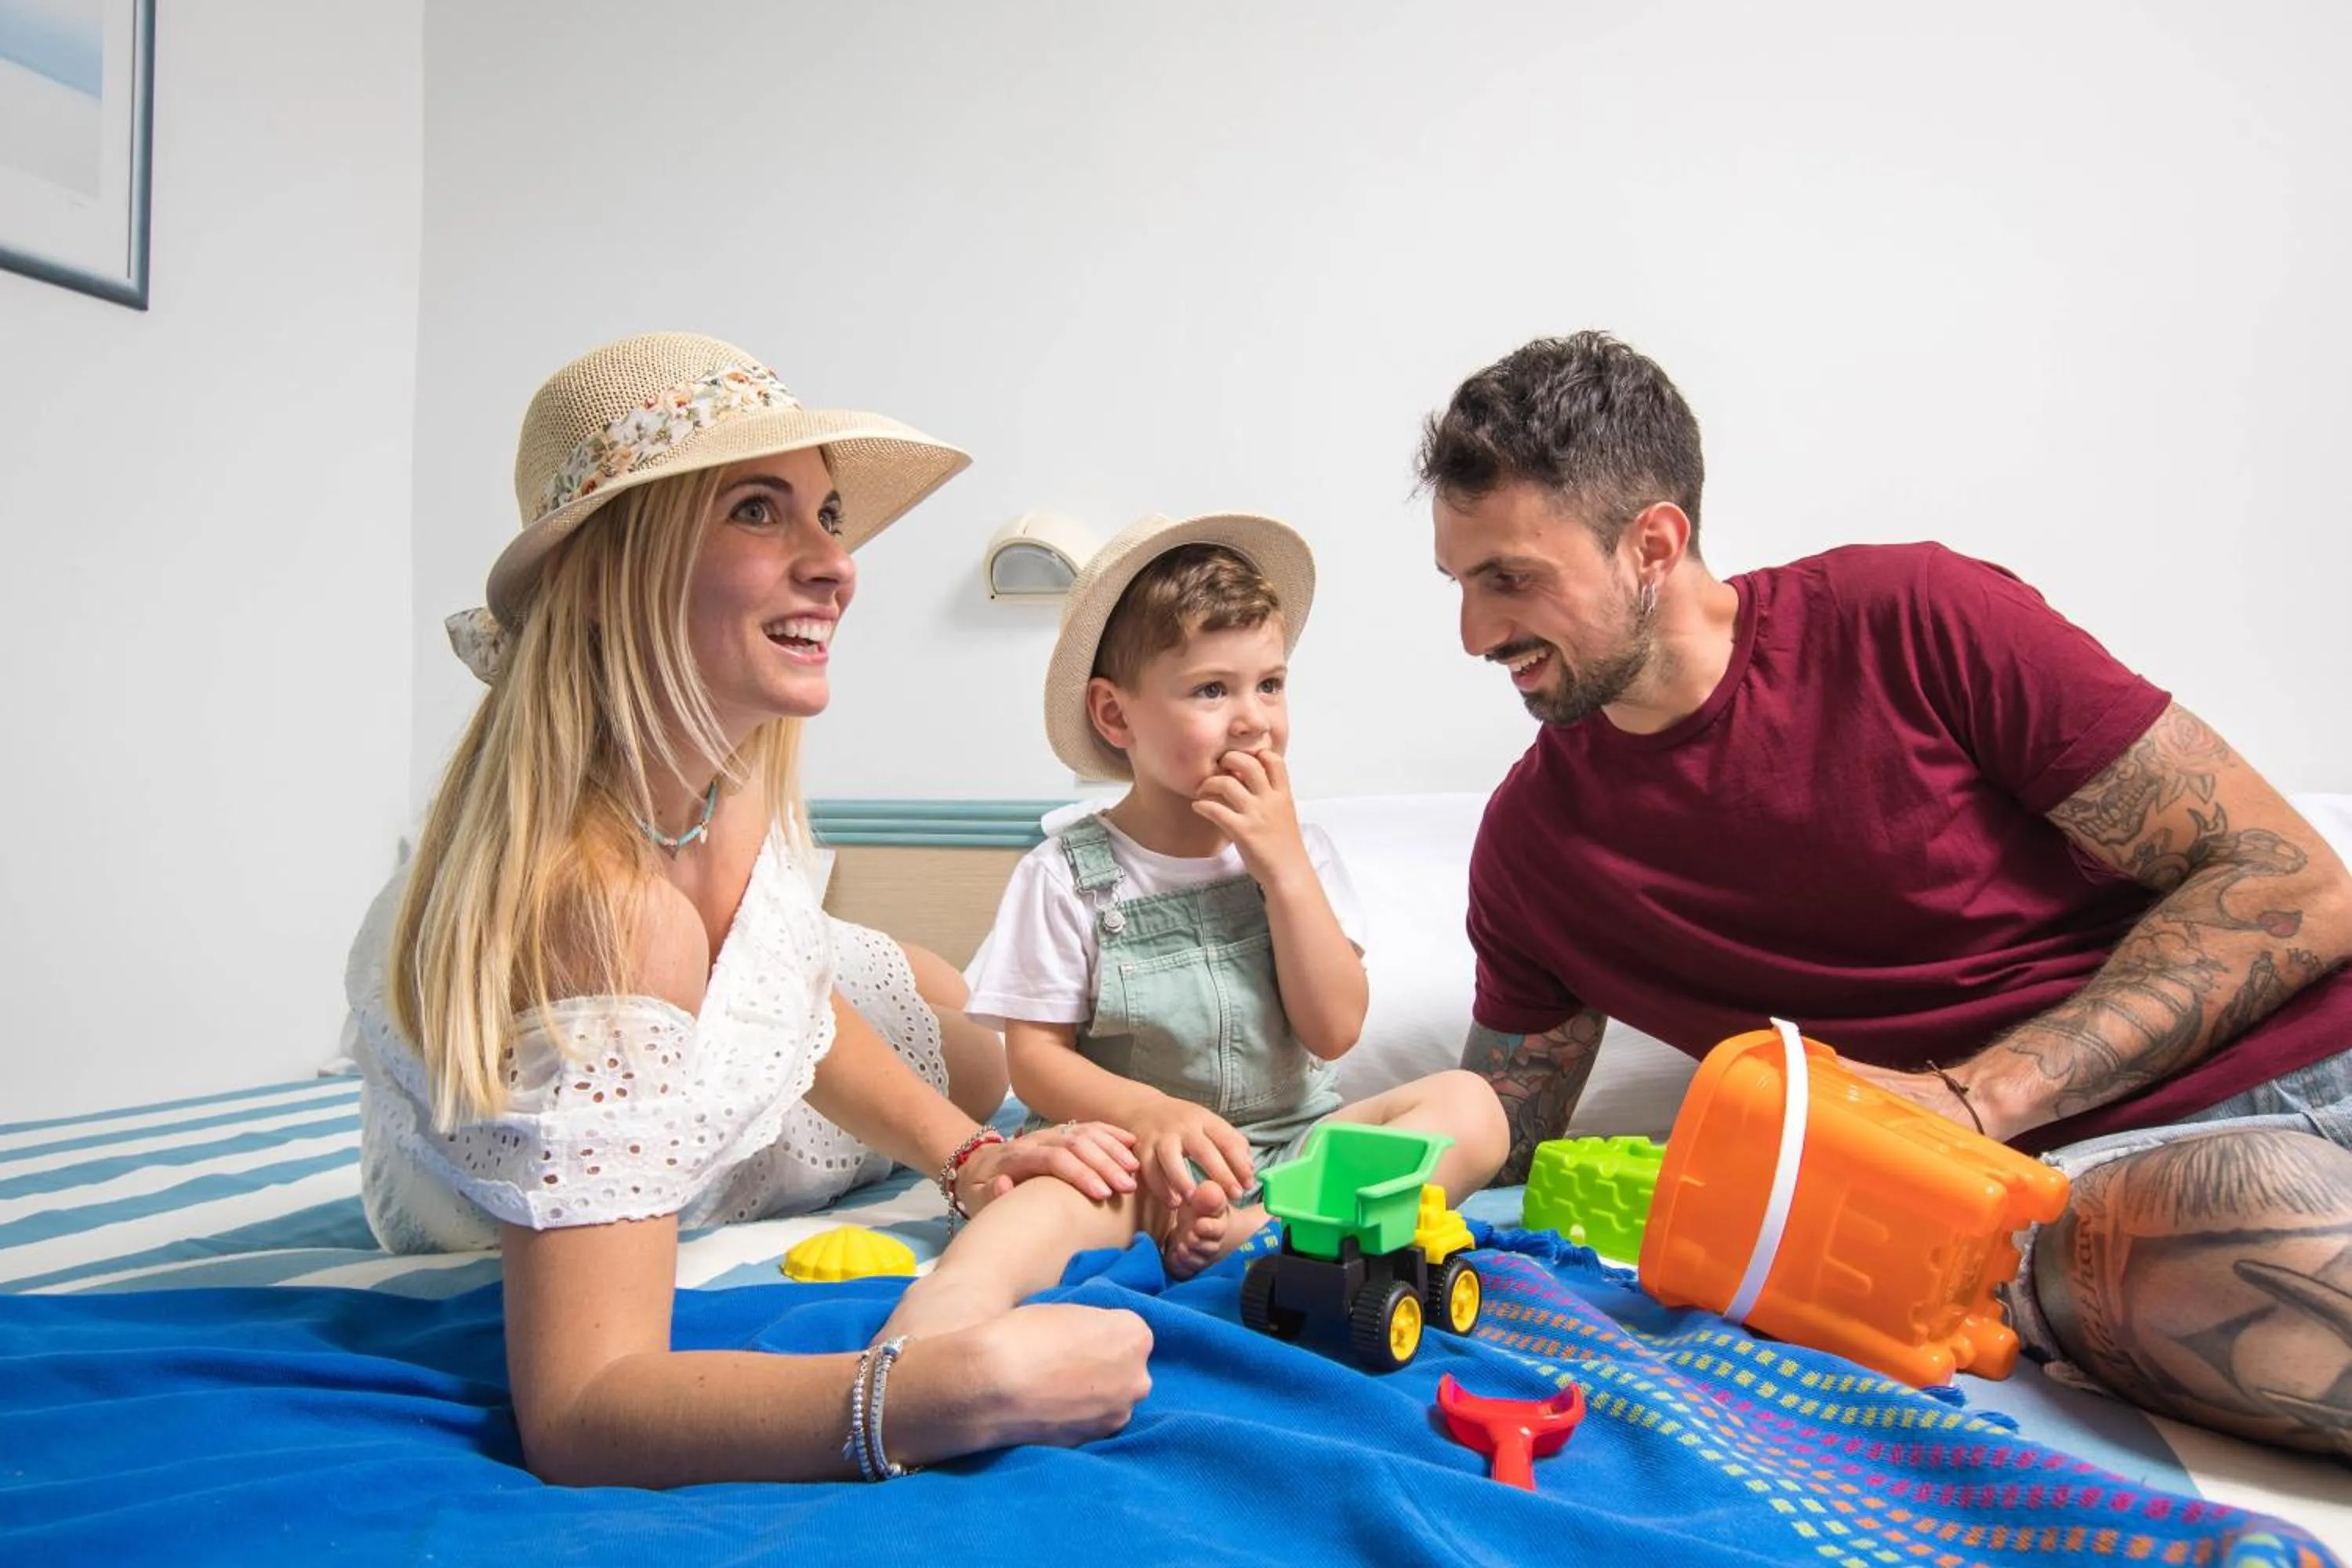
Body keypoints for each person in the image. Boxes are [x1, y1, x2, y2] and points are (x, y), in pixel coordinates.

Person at [1421, 330, 2352, 1457]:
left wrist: (1972, 1098)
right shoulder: (1535, 856)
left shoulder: (1911, 618)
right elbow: (1507, 1137)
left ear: (1653, 544)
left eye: (1510, 578)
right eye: (1459, 584)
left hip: (2319, 1058)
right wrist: (1315, 1162)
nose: (1474, 634)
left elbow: (2295, 884)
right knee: (2195, 1262)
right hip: (2092, 1213)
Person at [346, 332, 1156, 1487]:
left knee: (964, 1024)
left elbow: (788, 995)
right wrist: (944, 1391)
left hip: (707, 1001)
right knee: (967, 1045)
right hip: (612, 1099)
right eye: (759, 511)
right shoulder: (599, 912)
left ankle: (948, 1071)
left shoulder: (728, 784)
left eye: (830, 516)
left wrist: (972, 1158)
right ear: (617, 572)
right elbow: (580, 1415)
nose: (837, 566)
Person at [966, 513, 1508, 1277]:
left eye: (1271, 685)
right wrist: (1150, 1114)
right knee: (1032, 1208)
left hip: (1295, 1157)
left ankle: (1262, 1228)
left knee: (1474, 1107)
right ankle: (956, 1315)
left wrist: (1283, 869)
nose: (1253, 719)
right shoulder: (1064, 875)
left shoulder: (1302, 853)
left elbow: (1334, 1030)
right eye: (1212, 689)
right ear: (1116, 714)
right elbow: (1035, 1062)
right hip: (1140, 1165)